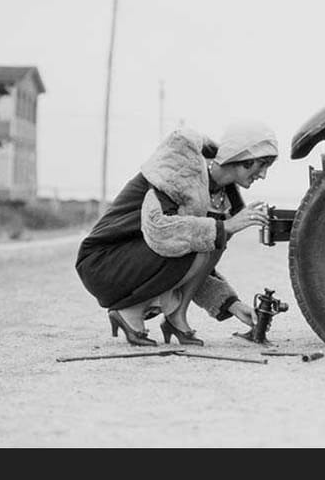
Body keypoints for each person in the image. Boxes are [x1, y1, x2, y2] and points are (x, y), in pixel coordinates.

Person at [74, 120, 278, 347]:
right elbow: (161, 232)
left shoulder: (224, 196)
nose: (263, 175)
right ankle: (130, 312)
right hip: (104, 262)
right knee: (207, 236)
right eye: (262, 164)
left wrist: (232, 303)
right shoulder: (180, 167)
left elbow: (194, 263)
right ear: (243, 158)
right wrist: (225, 227)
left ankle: (176, 317)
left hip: (136, 259)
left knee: (210, 239)